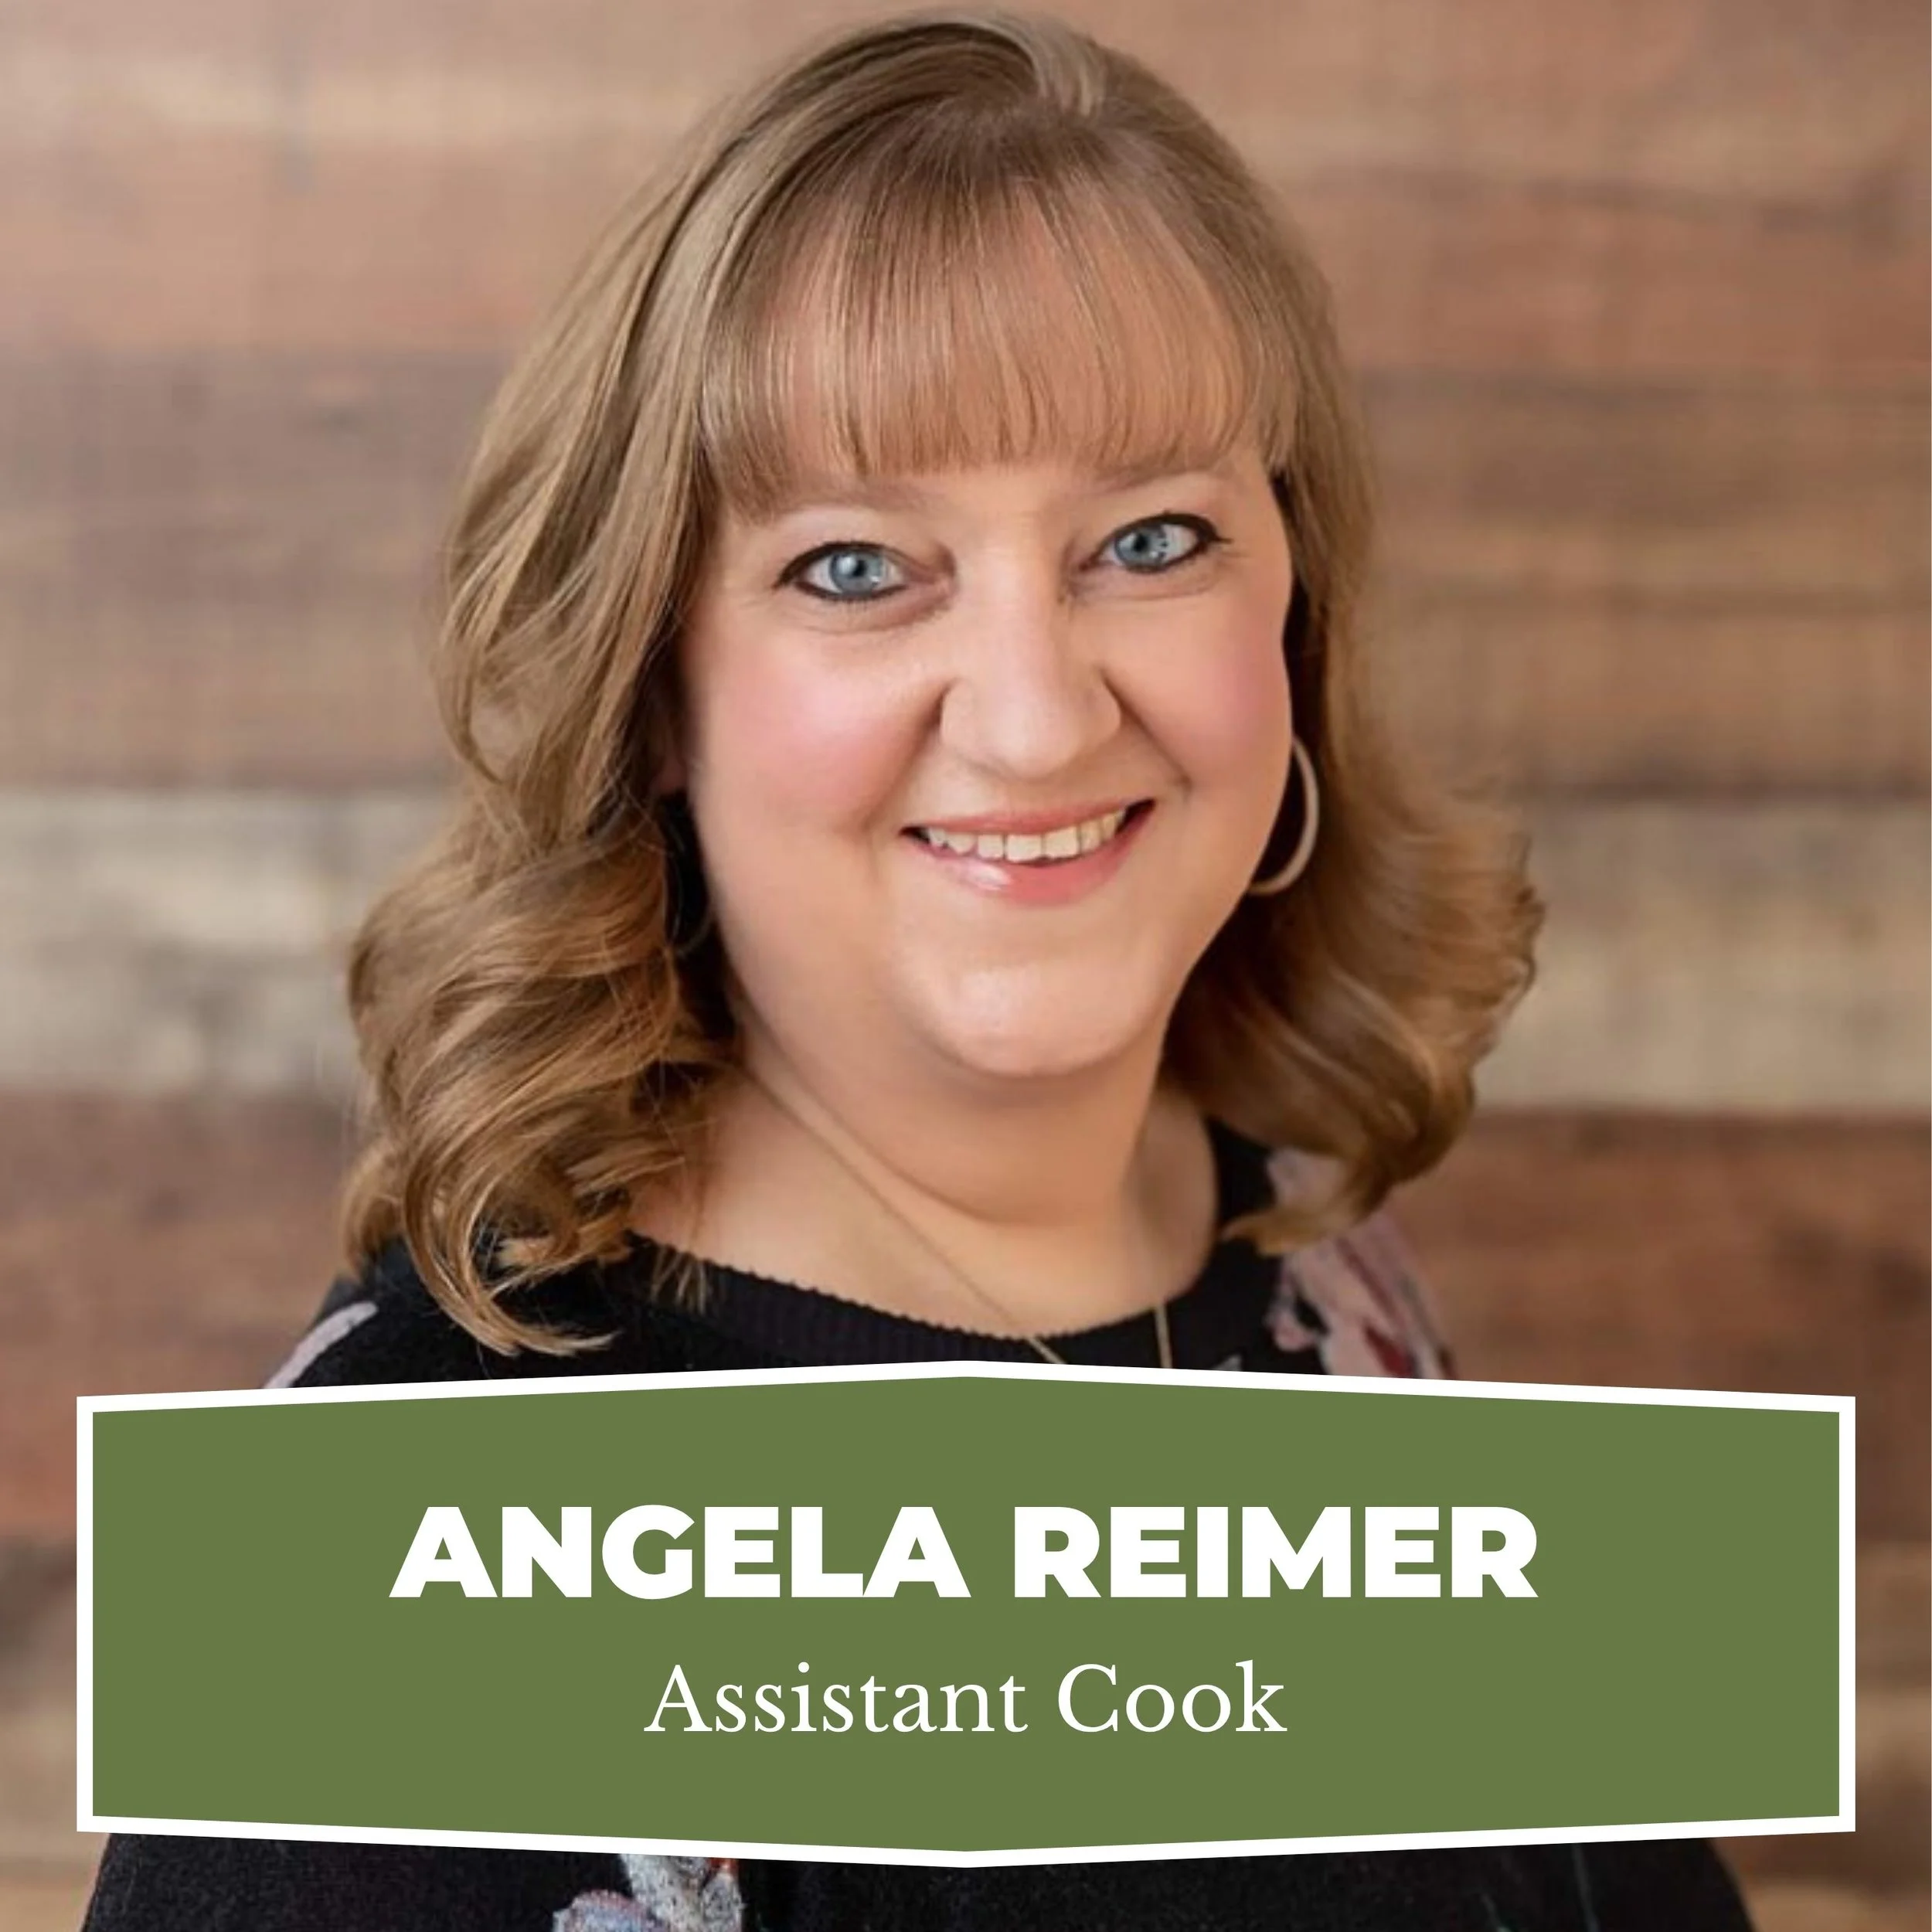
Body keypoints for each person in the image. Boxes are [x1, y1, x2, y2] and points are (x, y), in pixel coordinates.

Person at [81, 9, 1757, 1928]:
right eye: (859, 569)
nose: (1038, 721)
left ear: (1293, 611)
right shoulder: (384, 1579)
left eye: (1149, 537)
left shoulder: (1310, 1272)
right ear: (651, 689)